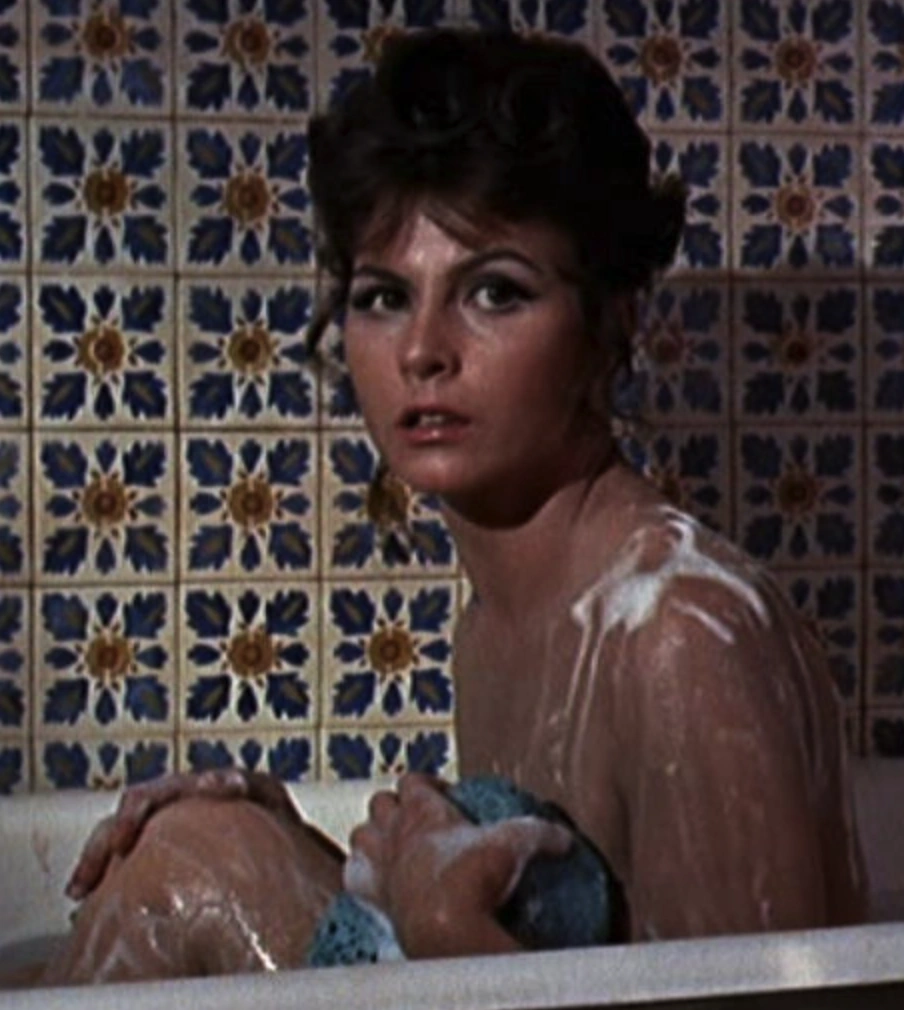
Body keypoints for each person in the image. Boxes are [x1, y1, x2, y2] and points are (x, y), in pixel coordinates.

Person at [33, 26, 867, 985]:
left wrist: (444, 934)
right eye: (384, 296)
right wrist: (281, 852)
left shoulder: (680, 641)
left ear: (611, 325)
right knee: (198, 848)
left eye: (495, 293)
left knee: (190, 871)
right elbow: (580, 957)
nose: (423, 349)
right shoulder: (502, 622)